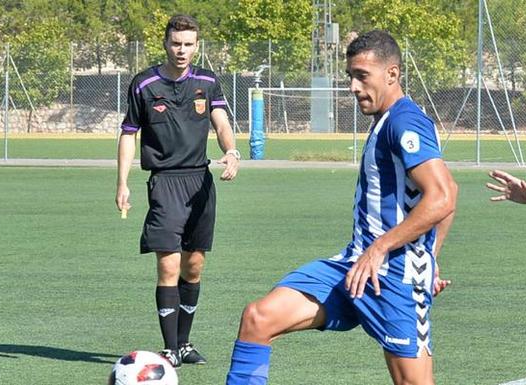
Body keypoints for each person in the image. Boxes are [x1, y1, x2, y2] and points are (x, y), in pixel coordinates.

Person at [225, 30, 457, 385]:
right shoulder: (385, 120)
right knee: (258, 318)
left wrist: (410, 259)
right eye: (351, 75)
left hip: (394, 277)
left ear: (392, 75)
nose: (353, 85)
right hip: (354, 266)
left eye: (362, 76)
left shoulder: (405, 121)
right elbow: (448, 191)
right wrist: (424, 257)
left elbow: (443, 197)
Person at [115, 14, 240, 368]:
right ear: (165, 43)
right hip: (165, 182)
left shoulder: (208, 81)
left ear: (196, 45)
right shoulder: (144, 84)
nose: (181, 50)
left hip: (200, 182)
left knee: (195, 266)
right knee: (168, 265)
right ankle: (169, 348)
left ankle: (184, 343)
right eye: (175, 43)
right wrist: (122, 182)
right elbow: (128, 134)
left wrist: (232, 151)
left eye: (188, 44)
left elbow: (221, 124)